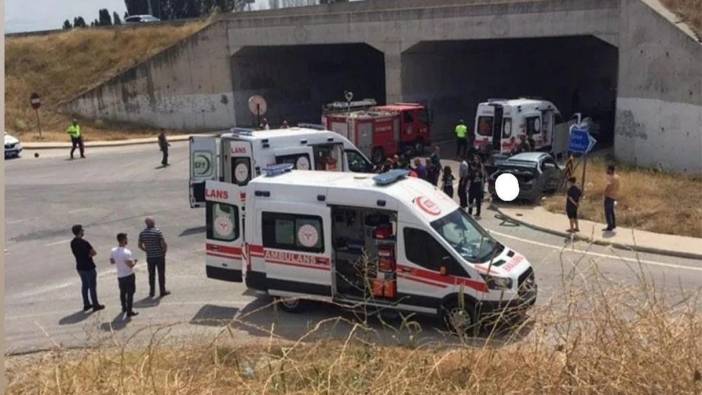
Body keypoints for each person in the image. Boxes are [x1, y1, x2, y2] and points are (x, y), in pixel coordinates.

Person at [70, 224, 105, 312]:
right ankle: (95, 304)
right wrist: (88, 255)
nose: (83, 232)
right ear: (79, 232)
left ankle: (86, 304)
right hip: (89, 267)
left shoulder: (72, 243)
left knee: (85, 285)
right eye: (82, 230)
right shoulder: (85, 242)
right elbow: (94, 252)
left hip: (80, 267)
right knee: (92, 286)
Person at [138, 217, 170, 298]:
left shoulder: (142, 233)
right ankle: (162, 291)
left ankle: (152, 292)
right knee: (161, 274)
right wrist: (164, 252)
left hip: (150, 257)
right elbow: (163, 244)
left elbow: (139, 245)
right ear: (152, 223)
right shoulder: (157, 232)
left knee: (151, 275)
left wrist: (146, 250)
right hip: (159, 257)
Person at [110, 233, 138, 317]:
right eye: (126, 239)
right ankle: (129, 310)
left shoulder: (113, 250)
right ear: (123, 240)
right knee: (130, 293)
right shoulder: (126, 252)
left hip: (120, 275)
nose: (127, 240)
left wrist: (119, 261)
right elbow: (130, 265)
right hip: (128, 275)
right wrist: (135, 262)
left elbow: (112, 261)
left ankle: (124, 307)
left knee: (122, 292)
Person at [603, 165, 619, 232]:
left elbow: (608, 186)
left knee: (608, 212)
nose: (607, 171)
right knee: (611, 211)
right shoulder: (617, 177)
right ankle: (613, 224)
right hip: (614, 196)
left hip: (609, 196)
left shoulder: (611, 178)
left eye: (608, 170)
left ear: (611, 170)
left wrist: (605, 193)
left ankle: (610, 226)